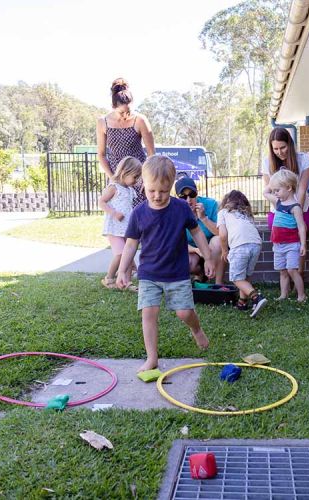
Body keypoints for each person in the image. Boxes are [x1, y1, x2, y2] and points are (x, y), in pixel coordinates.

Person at [117, 156, 213, 372]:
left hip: (177, 273)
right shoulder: (139, 213)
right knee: (148, 313)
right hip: (149, 274)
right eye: (152, 191)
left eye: (163, 191)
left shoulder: (180, 208)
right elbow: (131, 244)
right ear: (144, 184)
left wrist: (207, 257)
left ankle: (196, 329)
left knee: (184, 313)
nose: (157, 196)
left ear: (170, 186)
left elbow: (196, 232)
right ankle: (152, 358)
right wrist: (123, 270)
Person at [96, 78, 155, 206]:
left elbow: (151, 154)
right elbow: (101, 154)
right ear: (113, 106)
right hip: (116, 176)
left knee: (140, 216)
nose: (125, 115)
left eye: (128, 111)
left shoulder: (140, 120)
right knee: (119, 215)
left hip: (138, 176)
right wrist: (112, 178)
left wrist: (146, 179)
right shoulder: (103, 122)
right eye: (122, 112)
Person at [217, 190, 267, 318]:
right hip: (256, 244)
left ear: (226, 202)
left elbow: (222, 234)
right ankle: (242, 303)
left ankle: (256, 297)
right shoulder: (247, 214)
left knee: (236, 278)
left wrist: (224, 250)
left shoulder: (223, 213)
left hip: (239, 246)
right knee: (245, 275)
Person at [98, 156, 142, 289]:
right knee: (120, 254)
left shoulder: (129, 190)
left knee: (128, 255)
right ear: (124, 172)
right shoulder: (114, 187)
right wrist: (113, 213)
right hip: (114, 229)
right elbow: (101, 202)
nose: (136, 180)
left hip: (125, 228)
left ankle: (126, 282)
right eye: (135, 177)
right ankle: (109, 278)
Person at [263, 170, 307, 302]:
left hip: (292, 244)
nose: (274, 192)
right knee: (282, 271)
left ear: (288, 188)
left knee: (292, 270)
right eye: (274, 190)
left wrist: (303, 244)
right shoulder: (278, 203)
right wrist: (272, 183)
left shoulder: (295, 207)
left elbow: (301, 226)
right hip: (278, 244)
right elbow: (265, 193)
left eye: (277, 190)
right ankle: (284, 294)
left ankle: (301, 295)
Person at [174, 176, 225, 284]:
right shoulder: (175, 211)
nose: (188, 200)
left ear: (197, 193)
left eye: (192, 195)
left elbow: (221, 234)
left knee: (218, 240)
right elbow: (177, 242)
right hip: (193, 251)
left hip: (212, 249)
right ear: (178, 197)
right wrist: (197, 250)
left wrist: (203, 218)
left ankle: (218, 285)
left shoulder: (211, 204)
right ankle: (200, 275)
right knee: (188, 262)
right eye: (183, 196)